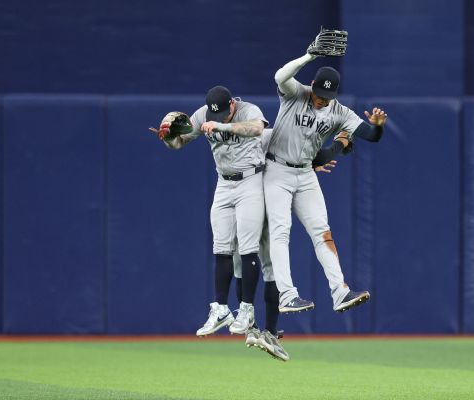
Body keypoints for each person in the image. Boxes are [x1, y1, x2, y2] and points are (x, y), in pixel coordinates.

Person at [264, 48, 387, 314]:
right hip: (277, 170)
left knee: (323, 232)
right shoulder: (296, 94)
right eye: (319, 94)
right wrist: (309, 57)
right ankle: (287, 295)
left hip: (306, 173)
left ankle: (340, 292)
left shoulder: (339, 111)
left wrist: (378, 125)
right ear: (312, 85)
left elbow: (371, 135)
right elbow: (279, 75)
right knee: (280, 232)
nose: (322, 100)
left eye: (327, 97)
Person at [150, 85, 268, 337]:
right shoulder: (204, 113)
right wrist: (168, 137)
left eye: (224, 113)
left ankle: (247, 309)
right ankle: (222, 309)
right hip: (224, 183)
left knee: (248, 247)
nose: (219, 117)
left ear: (232, 105)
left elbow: (257, 128)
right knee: (221, 247)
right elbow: (178, 143)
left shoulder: (247, 109)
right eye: (216, 115)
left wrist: (222, 127)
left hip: (251, 180)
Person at [231, 128, 341, 362]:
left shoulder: (269, 136)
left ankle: (267, 332)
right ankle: (256, 329)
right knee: (246, 265)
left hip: (261, 208)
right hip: (249, 207)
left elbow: (292, 157)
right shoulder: (239, 141)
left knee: (263, 267)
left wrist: (309, 166)